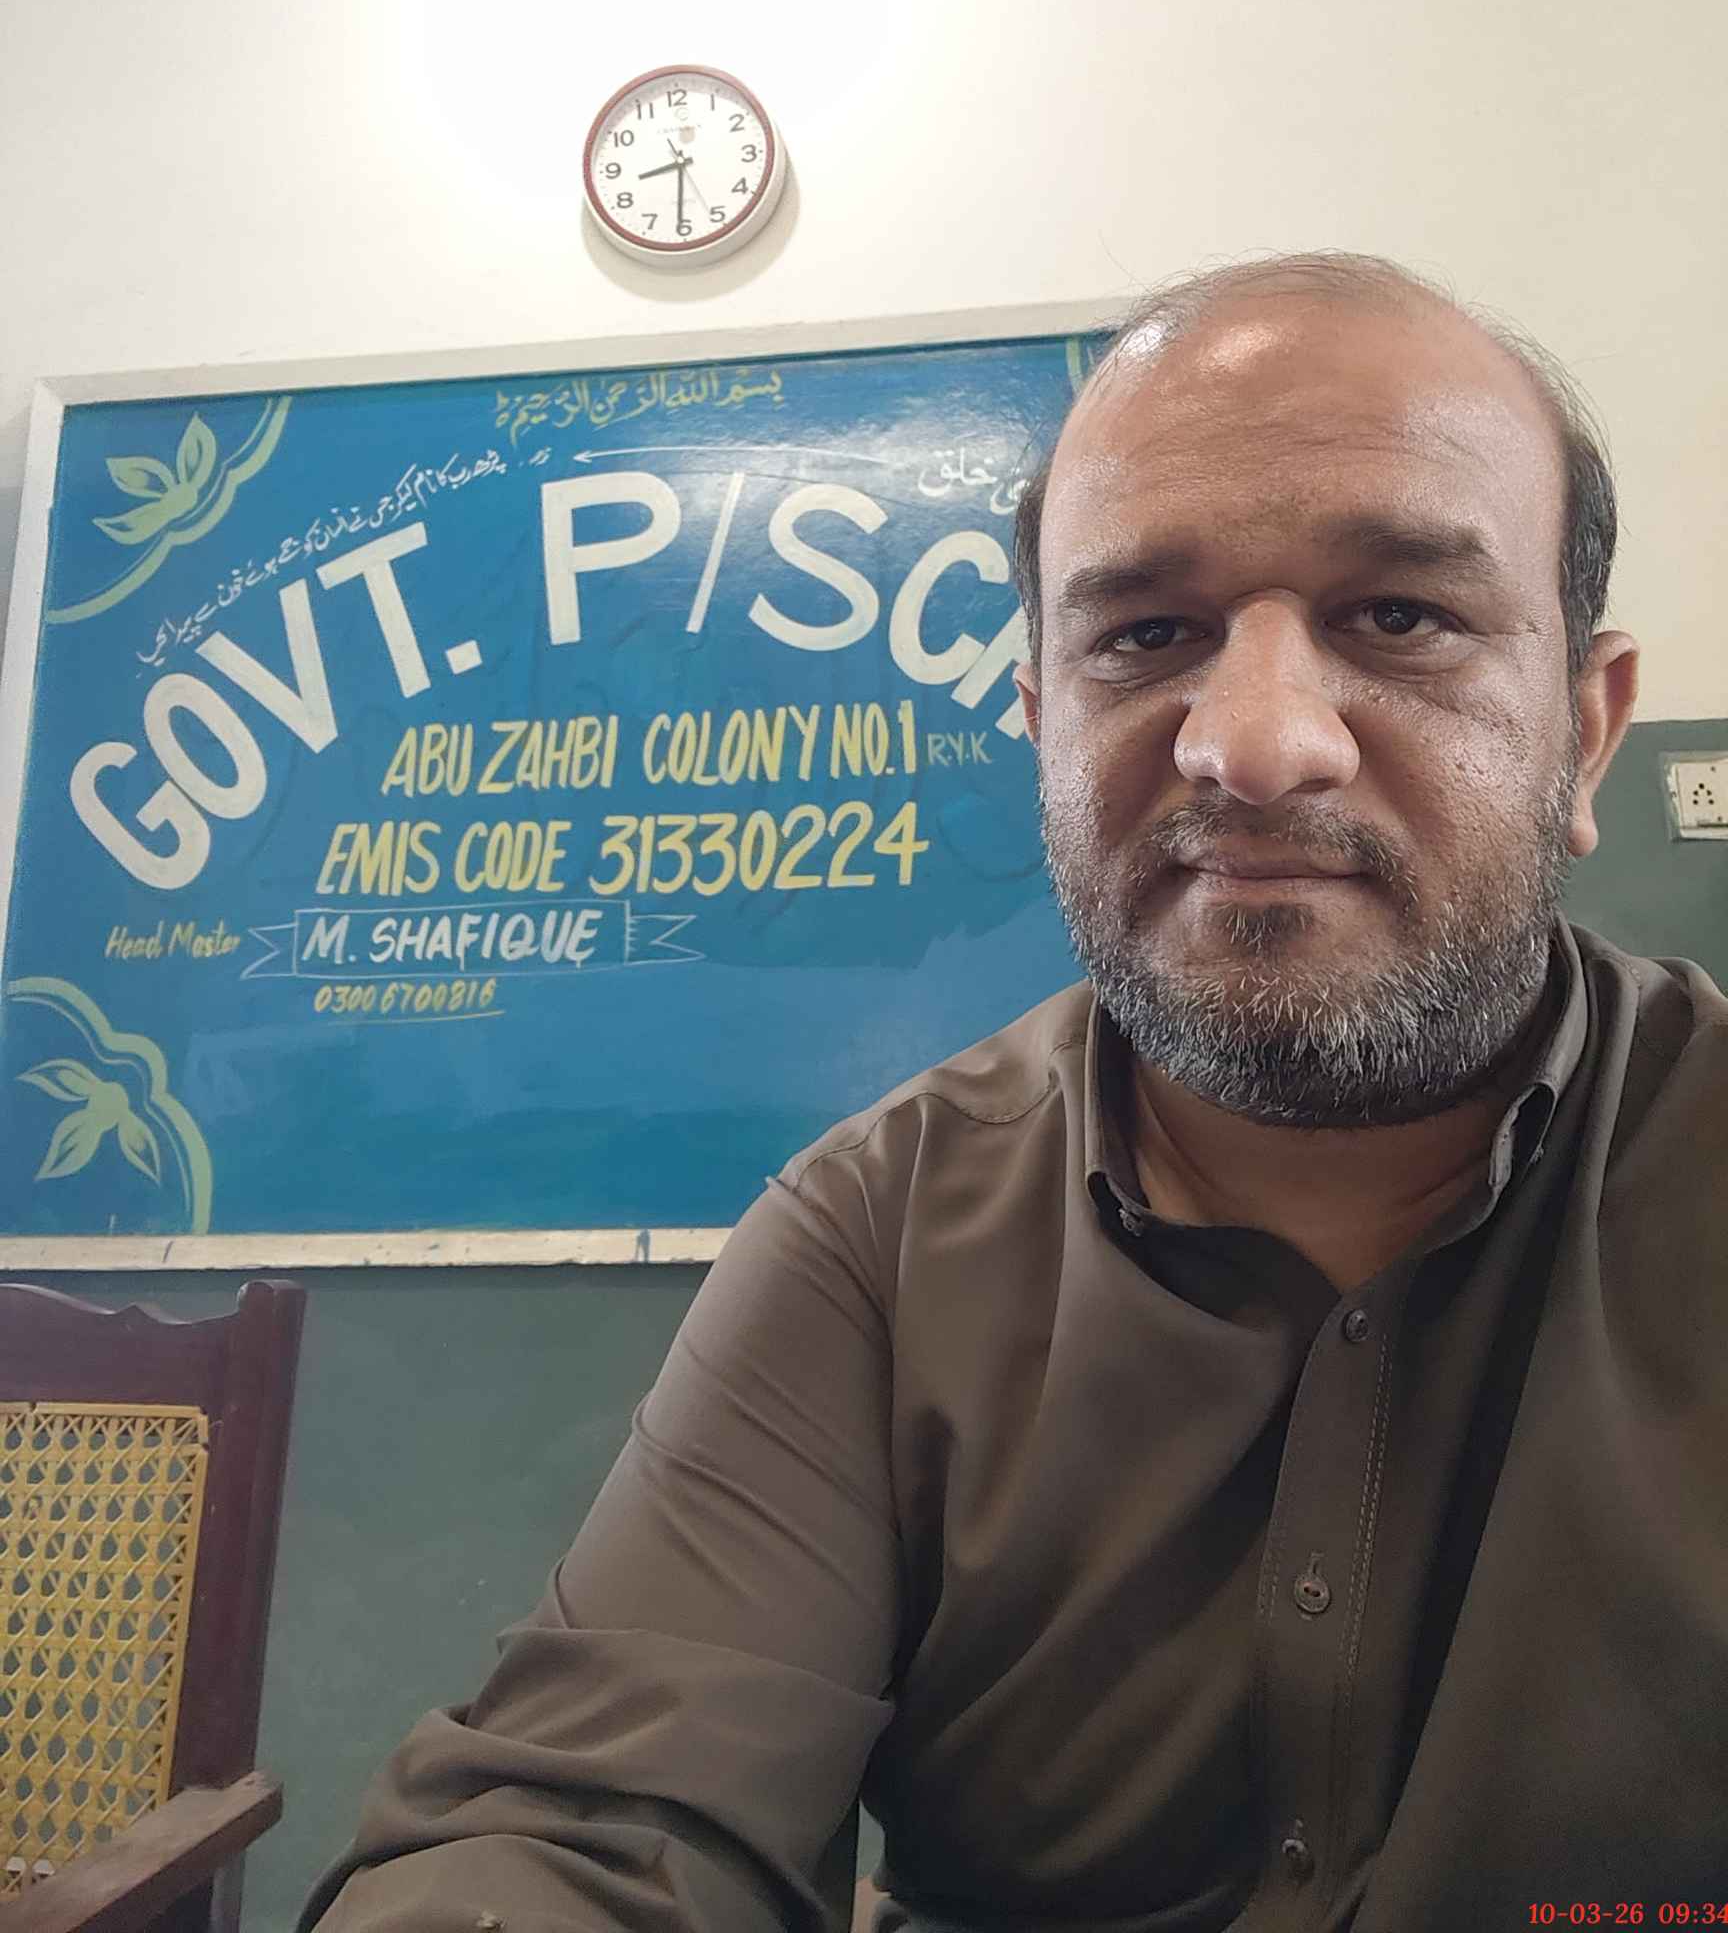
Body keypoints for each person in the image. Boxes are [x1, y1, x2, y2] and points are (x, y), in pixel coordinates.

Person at [303, 254, 1728, 1932]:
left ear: (1586, 730)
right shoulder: (875, 1238)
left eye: (1400, 618)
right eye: (1148, 635)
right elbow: (597, 1826)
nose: (1255, 745)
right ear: (1045, 730)